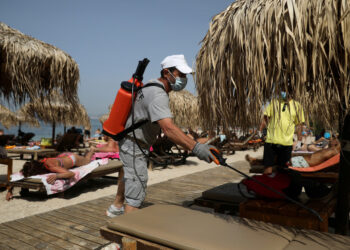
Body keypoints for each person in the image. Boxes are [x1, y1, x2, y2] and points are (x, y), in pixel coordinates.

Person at [105, 54, 218, 217]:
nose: (185, 79)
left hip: (130, 142)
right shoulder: (158, 94)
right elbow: (169, 128)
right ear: (167, 73)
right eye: (181, 74)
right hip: (134, 145)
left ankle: (116, 208)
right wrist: (197, 148)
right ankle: (126, 237)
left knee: (130, 177)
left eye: (186, 75)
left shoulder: (150, 86)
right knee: (136, 191)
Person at [259, 88, 305, 174]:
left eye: (288, 90)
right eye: (284, 90)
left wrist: (299, 141)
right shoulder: (274, 102)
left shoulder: (297, 106)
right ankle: (266, 186)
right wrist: (260, 131)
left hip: (287, 143)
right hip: (271, 142)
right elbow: (265, 118)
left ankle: (278, 187)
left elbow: (299, 125)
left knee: (283, 171)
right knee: (267, 170)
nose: (285, 92)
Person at [246, 138, 340, 168]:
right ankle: (256, 161)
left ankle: (256, 162)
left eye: (335, 141)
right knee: (279, 157)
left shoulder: (332, 152)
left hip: (303, 163)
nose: (333, 141)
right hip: (303, 161)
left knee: (279, 158)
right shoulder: (331, 151)